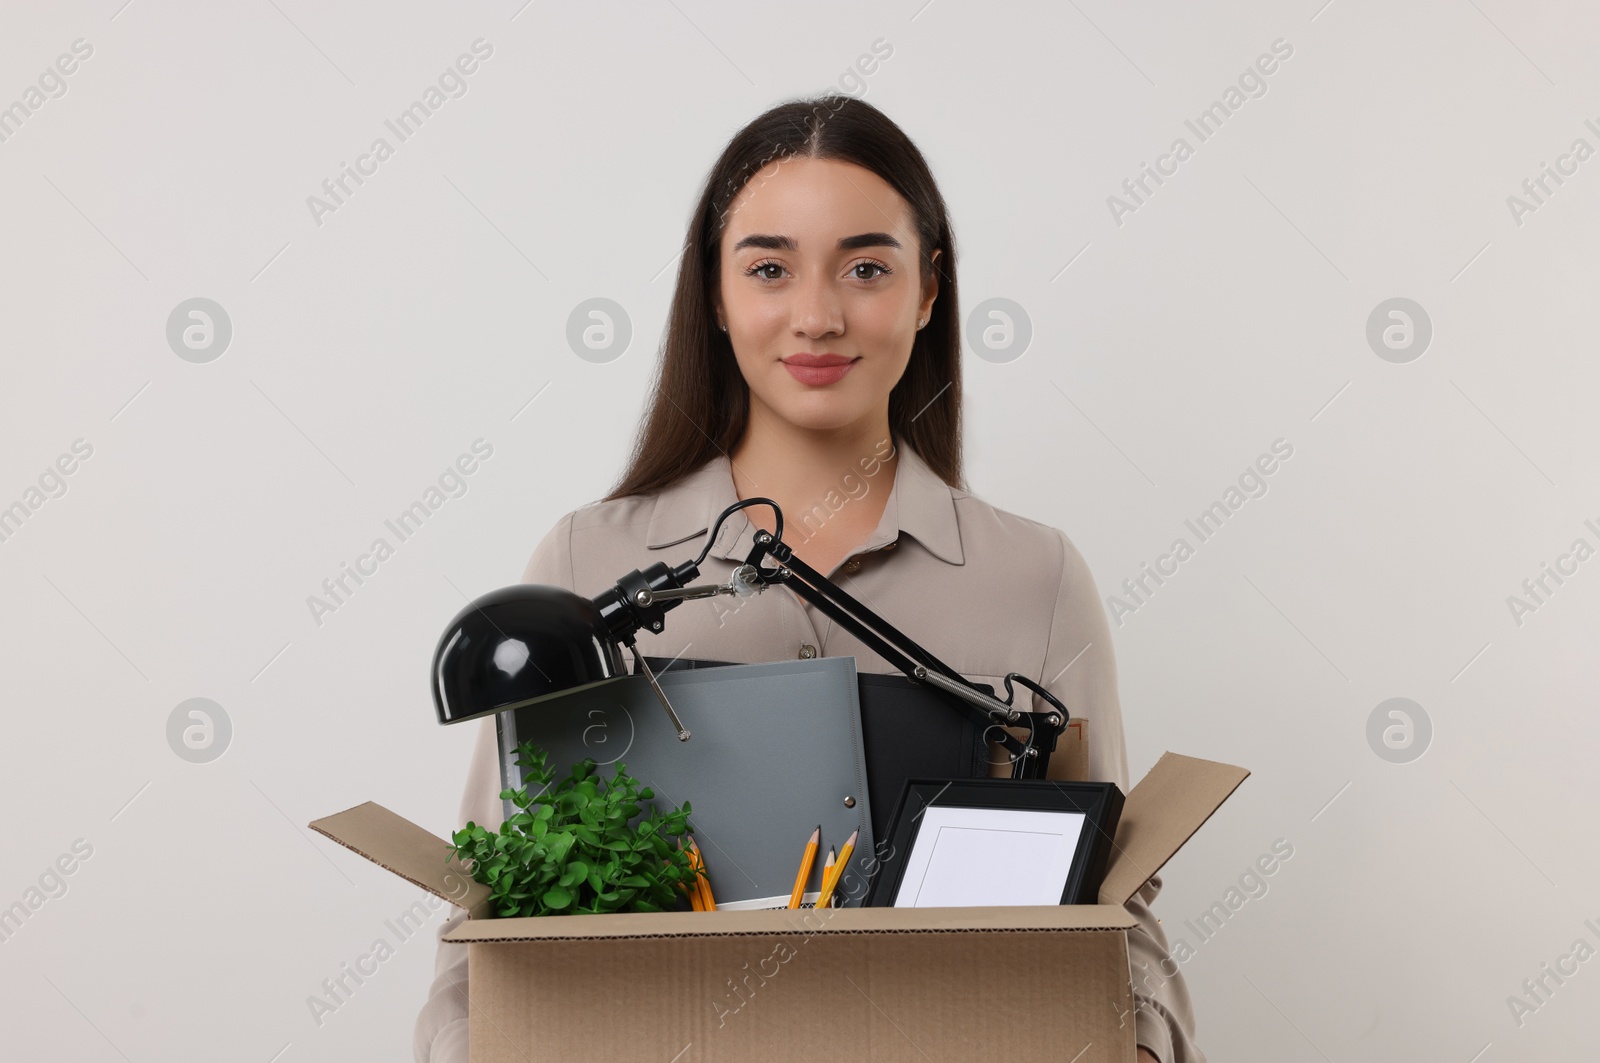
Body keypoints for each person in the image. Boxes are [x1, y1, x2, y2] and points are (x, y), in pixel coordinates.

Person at [414, 94, 1202, 1063]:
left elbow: (1115, 910)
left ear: (926, 291)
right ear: (714, 291)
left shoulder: (1033, 575)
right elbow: (488, 917)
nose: (818, 315)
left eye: (866, 267)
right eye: (769, 268)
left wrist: (1144, 1048)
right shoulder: (587, 565)